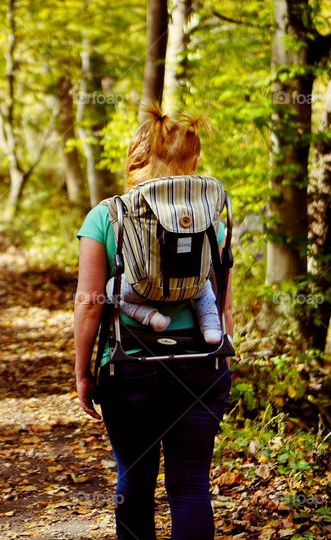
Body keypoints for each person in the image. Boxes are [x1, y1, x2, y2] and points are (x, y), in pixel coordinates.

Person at [73, 103, 232, 540]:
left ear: (136, 159)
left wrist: (83, 372)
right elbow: (221, 305)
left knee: (135, 483)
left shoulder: (105, 216)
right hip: (200, 367)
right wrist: (222, 363)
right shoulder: (211, 222)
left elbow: (89, 303)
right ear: (192, 160)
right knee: (191, 486)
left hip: (129, 368)